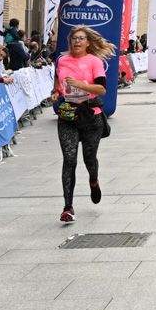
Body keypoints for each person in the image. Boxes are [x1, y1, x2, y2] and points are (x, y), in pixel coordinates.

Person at [55, 27, 112, 224]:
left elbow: (101, 89)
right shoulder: (62, 60)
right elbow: (58, 81)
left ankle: (93, 180)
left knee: (89, 158)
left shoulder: (94, 61)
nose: (77, 42)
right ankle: (68, 207)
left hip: (91, 116)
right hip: (68, 115)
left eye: (81, 38)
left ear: (88, 42)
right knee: (69, 160)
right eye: (74, 38)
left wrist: (80, 84)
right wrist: (56, 91)